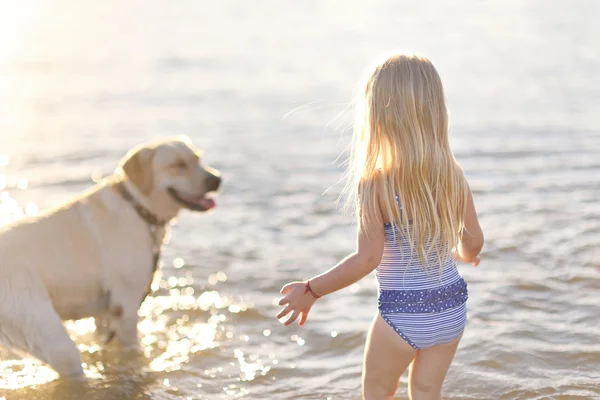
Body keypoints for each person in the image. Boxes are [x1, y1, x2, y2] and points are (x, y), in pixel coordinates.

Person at [276, 53, 484, 400]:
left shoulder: (377, 185)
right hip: (451, 306)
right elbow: (473, 240)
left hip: (403, 313)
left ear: (378, 114)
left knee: (376, 391)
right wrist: (464, 254)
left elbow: (366, 260)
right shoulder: (452, 174)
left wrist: (312, 290)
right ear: (434, 109)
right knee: (426, 391)